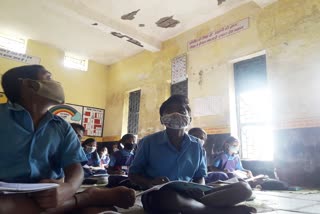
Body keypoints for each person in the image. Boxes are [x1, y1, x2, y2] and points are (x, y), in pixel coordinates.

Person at [0, 65, 135, 213]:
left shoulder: (62, 126)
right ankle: (86, 198)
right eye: (48, 77)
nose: (57, 83)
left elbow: (75, 167)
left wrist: (69, 187)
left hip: (49, 195)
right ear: (29, 84)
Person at [129, 94, 255, 214]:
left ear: (189, 119)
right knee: (168, 196)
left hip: (189, 195)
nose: (175, 114)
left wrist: (199, 189)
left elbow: (200, 176)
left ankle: (196, 208)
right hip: (159, 195)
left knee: (244, 188)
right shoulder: (148, 142)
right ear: (162, 119)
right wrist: (150, 182)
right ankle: (217, 212)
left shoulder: (197, 146)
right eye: (169, 111)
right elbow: (133, 174)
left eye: (181, 111)